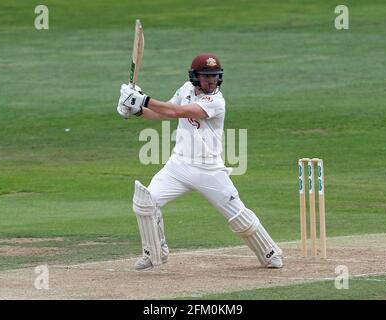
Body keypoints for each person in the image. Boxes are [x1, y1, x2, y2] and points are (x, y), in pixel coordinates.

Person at [117, 53, 283, 271]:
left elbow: (176, 112)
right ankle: (155, 253)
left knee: (238, 216)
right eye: (206, 76)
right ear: (195, 77)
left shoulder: (216, 102)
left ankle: (269, 252)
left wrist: (142, 99)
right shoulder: (186, 89)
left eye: (215, 76)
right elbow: (163, 112)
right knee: (145, 202)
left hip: (209, 169)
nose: (212, 80)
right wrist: (137, 109)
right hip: (178, 166)